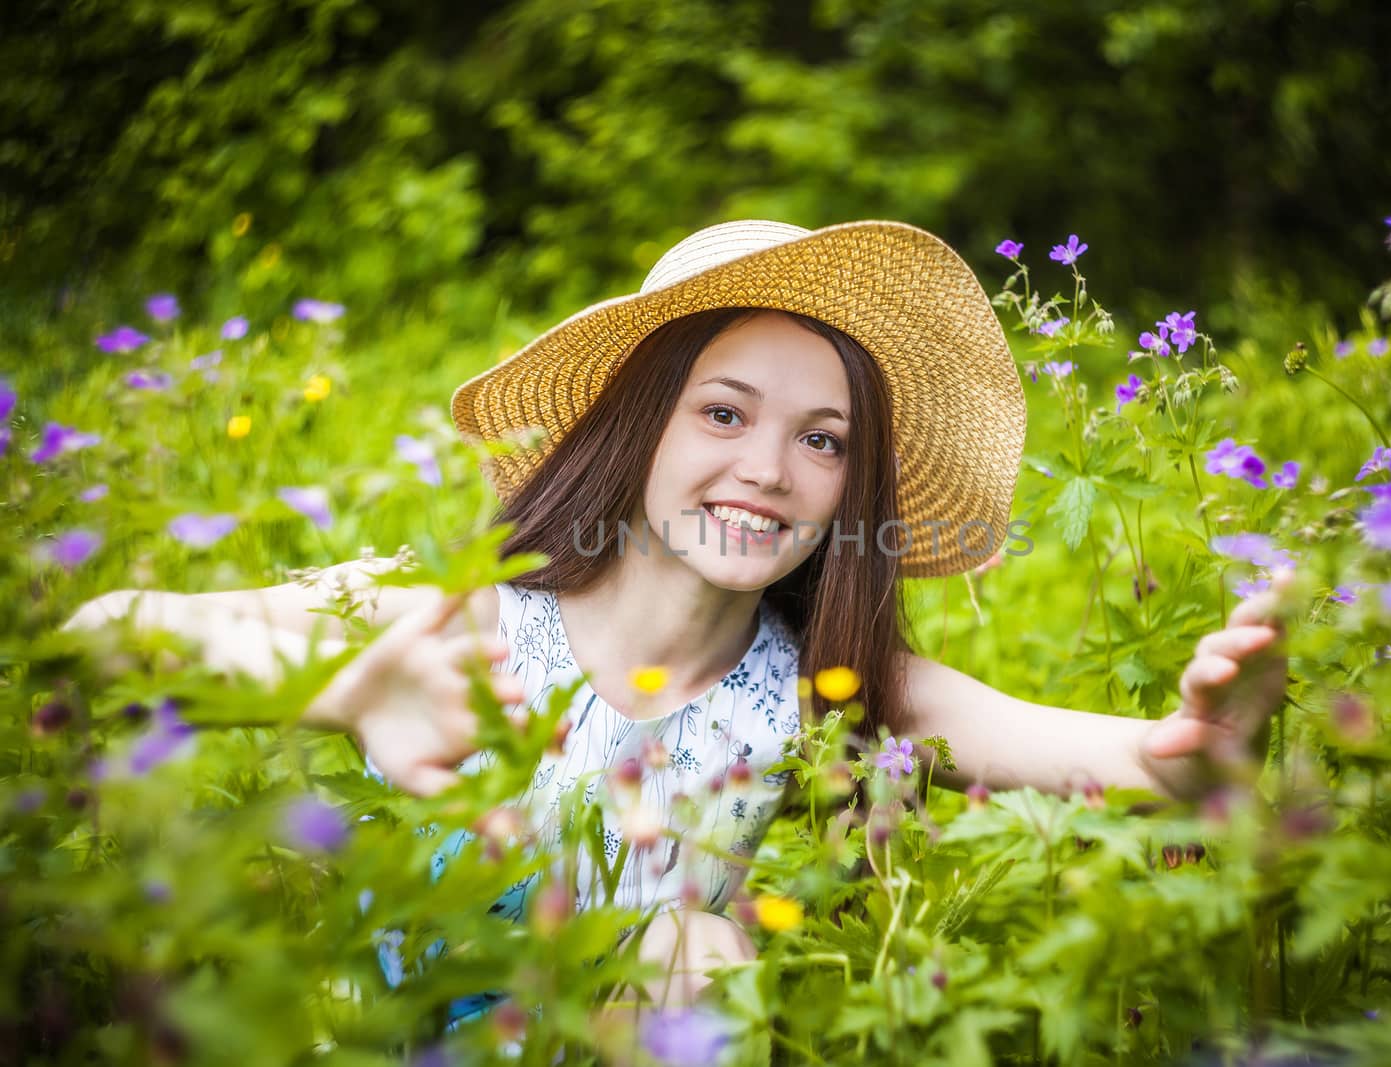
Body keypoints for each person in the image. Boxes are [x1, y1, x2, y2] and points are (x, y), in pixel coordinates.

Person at [66, 219, 1289, 1039]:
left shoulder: (825, 681)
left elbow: (1110, 753)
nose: (768, 469)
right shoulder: (463, 617)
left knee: (691, 950)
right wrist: (350, 680)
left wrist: (1192, 742)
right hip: (403, 1035)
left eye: (824, 439)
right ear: (637, 423)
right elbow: (105, 627)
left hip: (639, 1038)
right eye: (723, 411)